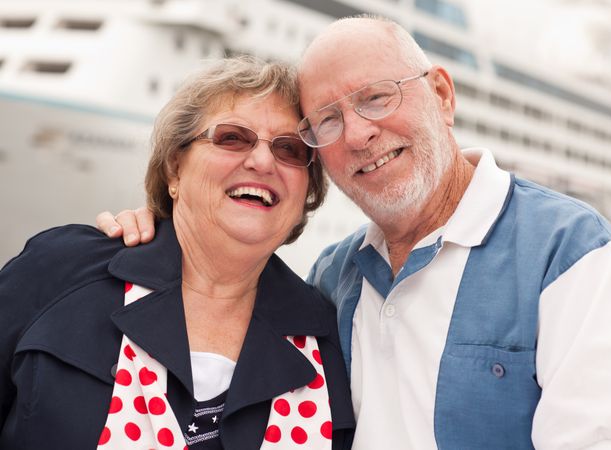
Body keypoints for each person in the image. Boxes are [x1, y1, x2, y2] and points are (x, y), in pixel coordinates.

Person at [96, 16, 611, 450]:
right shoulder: (331, 279)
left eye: (376, 96)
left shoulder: (569, 254)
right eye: (328, 122)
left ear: (441, 96)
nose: (360, 135)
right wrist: (160, 238)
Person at [0, 56, 355, 449]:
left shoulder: (330, 339)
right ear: (174, 168)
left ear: (307, 190)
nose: (262, 161)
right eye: (232, 137)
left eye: (288, 149)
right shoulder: (61, 272)